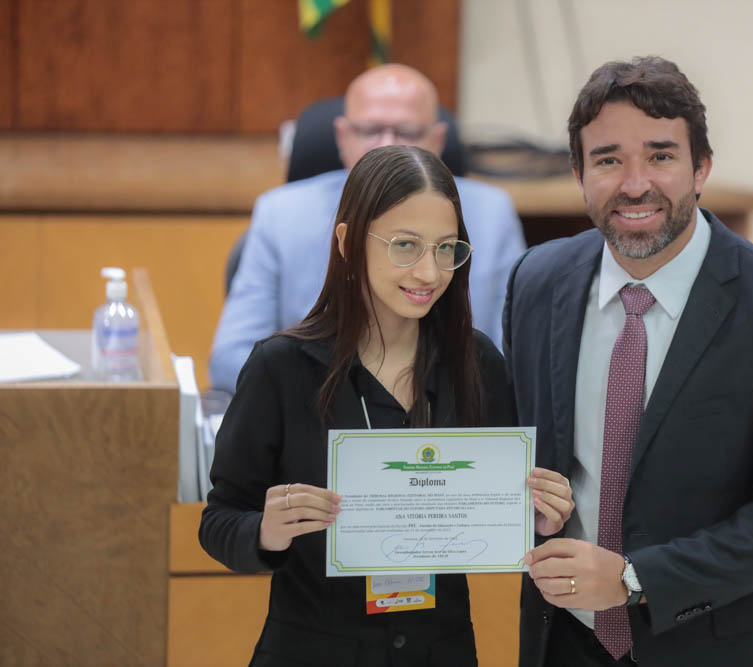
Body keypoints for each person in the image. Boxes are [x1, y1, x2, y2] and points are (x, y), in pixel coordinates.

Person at [504, 56, 753, 666]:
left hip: (721, 644)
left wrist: (633, 580)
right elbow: (517, 446)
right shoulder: (537, 280)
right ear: (579, 174)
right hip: (561, 640)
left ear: (701, 169)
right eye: (608, 159)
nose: (635, 184)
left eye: (661, 156)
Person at [199, 146, 572, 666]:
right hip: (314, 651)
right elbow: (218, 522)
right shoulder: (281, 368)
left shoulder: (476, 363)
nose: (429, 273)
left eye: (446, 249)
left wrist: (538, 519)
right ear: (348, 242)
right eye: (405, 246)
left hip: (440, 651)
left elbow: (496, 508)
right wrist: (264, 531)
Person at [209, 63, 525, 394]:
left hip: (446, 411)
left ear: (438, 139)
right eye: (370, 130)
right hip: (317, 410)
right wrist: (350, 400)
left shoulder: (492, 214)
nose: (386, 146)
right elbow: (231, 357)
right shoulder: (281, 214)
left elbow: (511, 356)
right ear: (342, 137)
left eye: (406, 132)